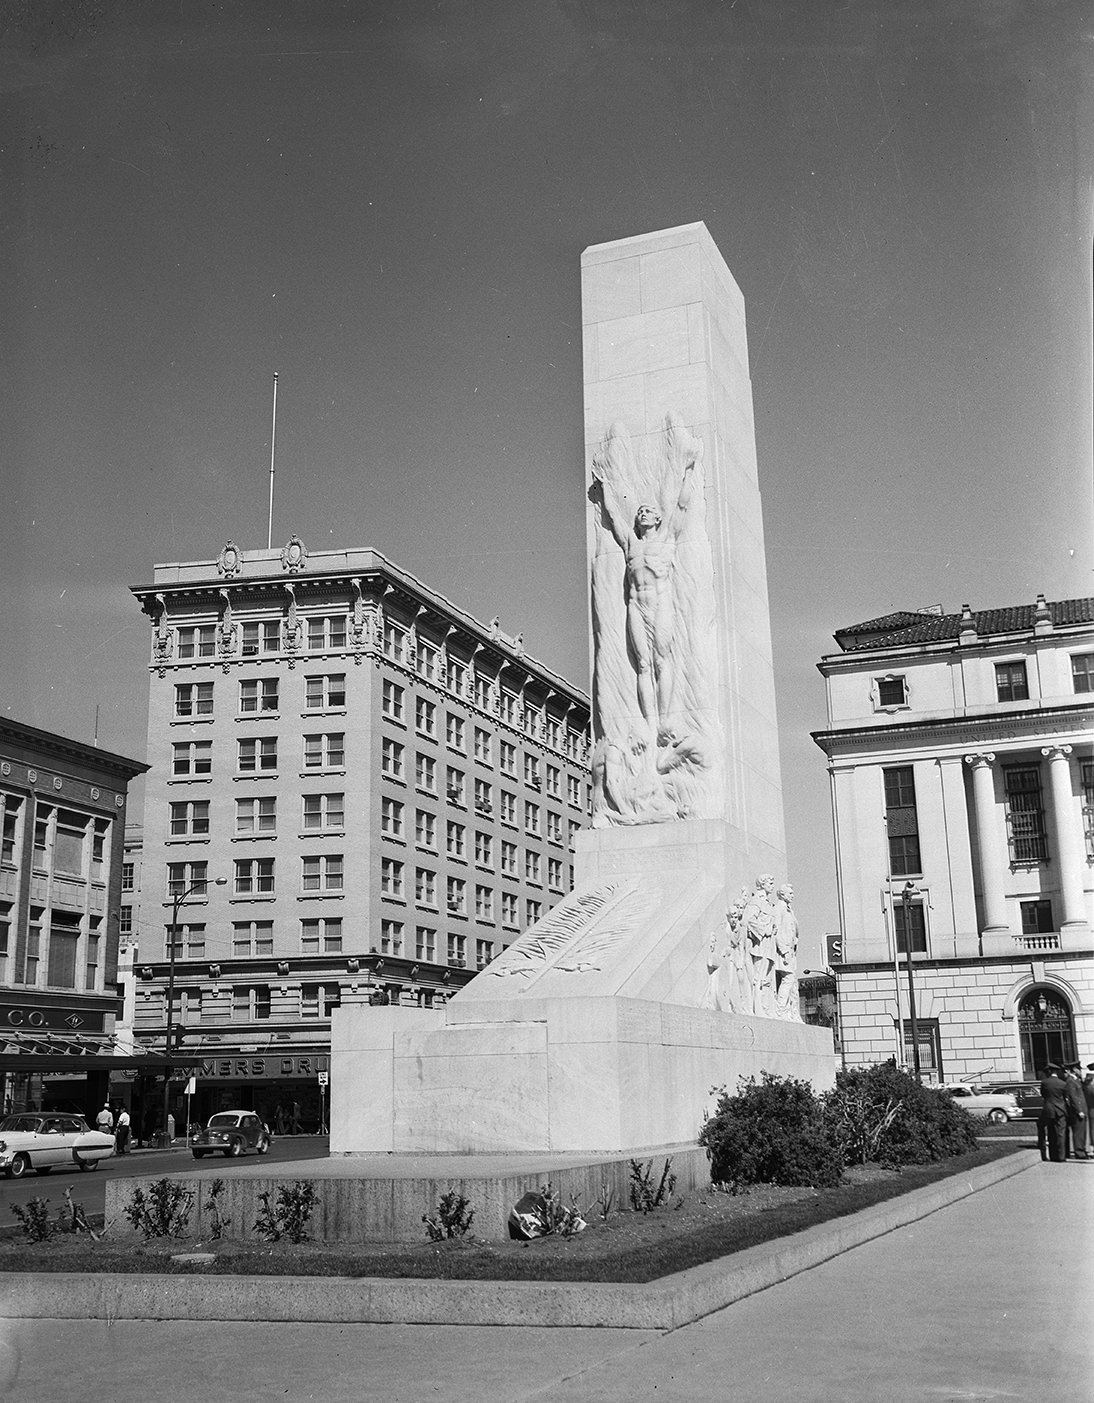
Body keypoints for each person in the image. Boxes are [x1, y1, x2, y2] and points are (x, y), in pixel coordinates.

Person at [591, 444, 700, 741]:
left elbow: (680, 507)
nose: (642, 513)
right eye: (640, 511)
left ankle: (666, 722)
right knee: (643, 664)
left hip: (661, 605)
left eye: (648, 511)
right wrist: (604, 487)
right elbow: (613, 517)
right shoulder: (631, 545)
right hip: (636, 608)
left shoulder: (666, 541)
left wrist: (687, 473)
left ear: (657, 520)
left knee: (662, 661)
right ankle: (651, 726)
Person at [1037, 1064, 1070, 1162]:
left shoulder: (1044, 1082)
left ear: (1049, 1072)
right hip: (1060, 1110)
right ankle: (1061, 1156)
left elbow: (1043, 1094)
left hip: (1048, 1109)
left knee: (1050, 1132)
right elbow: (1066, 1097)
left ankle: (1051, 1155)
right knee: (1060, 1133)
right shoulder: (1062, 1083)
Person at [1063, 1063, 1087, 1158]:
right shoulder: (1070, 1081)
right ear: (1074, 1070)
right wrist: (1079, 1110)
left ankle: (1082, 1149)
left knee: (1082, 1132)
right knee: (1078, 1132)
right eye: (1078, 1069)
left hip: (1082, 1109)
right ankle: (1079, 1152)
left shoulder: (1076, 1080)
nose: (1080, 1071)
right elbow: (1073, 1097)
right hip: (1077, 1111)